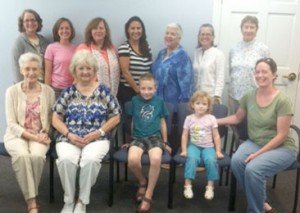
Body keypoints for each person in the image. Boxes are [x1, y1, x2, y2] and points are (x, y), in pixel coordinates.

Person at [218, 58, 297, 213]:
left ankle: (255, 209)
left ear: (274, 75)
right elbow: (237, 118)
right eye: (257, 71)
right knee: (236, 161)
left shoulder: (283, 100)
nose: (260, 75)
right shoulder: (249, 96)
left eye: (265, 72)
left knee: (253, 169)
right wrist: (214, 121)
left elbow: (281, 136)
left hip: (282, 147)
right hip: (255, 142)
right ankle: (262, 202)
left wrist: (257, 154)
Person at [52, 50, 121, 213]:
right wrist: (69, 134)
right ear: (74, 70)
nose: (85, 72)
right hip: (69, 137)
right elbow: (55, 118)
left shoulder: (104, 91)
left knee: (90, 160)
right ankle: (69, 200)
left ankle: (82, 201)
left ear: (94, 71)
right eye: (81, 68)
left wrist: (99, 132)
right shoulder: (68, 92)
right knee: (66, 160)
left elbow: (116, 116)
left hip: (96, 138)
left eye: (88, 68)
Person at [4, 52, 55, 213]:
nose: (31, 73)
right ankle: (32, 200)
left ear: (40, 70)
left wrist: (46, 131)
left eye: (35, 69)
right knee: (22, 156)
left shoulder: (48, 91)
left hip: (40, 134)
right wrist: (34, 137)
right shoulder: (11, 91)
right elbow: (12, 124)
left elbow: (51, 117)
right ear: (21, 70)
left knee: (37, 157)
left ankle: (28, 189)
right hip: (16, 135)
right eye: (27, 69)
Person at [126, 73, 171, 212]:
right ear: (139, 88)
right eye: (143, 88)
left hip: (155, 137)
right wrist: (130, 141)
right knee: (132, 161)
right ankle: (142, 181)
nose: (146, 92)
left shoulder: (159, 102)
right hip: (138, 137)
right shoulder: (134, 100)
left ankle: (149, 193)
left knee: (156, 159)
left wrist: (165, 141)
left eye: (150, 88)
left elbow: (162, 122)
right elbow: (133, 120)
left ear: (155, 88)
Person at [180, 91, 224, 200]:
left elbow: (216, 136)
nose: (201, 106)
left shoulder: (211, 118)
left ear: (208, 106)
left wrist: (218, 151)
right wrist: (184, 150)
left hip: (208, 146)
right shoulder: (189, 119)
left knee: (211, 160)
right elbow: (184, 135)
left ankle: (210, 186)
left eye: (204, 104)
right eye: (198, 103)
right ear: (192, 105)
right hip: (193, 146)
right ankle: (188, 185)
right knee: (192, 158)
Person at [228, 15, 270, 113]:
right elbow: (231, 70)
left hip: (254, 95)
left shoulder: (263, 49)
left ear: (256, 30)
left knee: (251, 125)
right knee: (234, 124)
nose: (248, 30)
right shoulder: (234, 48)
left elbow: (268, 73)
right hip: (234, 94)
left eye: (252, 27)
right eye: (246, 27)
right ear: (241, 29)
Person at [152, 22, 193, 112]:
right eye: (167, 33)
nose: (169, 36)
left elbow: (186, 88)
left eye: (173, 34)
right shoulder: (161, 53)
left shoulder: (183, 57)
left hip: (173, 107)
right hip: (157, 103)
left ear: (179, 38)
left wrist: (182, 108)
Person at [77, 17, 120, 96]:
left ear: (106, 31)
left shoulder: (112, 48)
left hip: (112, 95)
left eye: (101, 28)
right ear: (90, 31)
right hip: (90, 94)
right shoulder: (84, 48)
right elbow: (77, 74)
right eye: (95, 28)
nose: (98, 31)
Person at [117, 16, 152, 107]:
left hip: (145, 91)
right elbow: (125, 72)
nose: (136, 31)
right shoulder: (124, 48)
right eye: (132, 28)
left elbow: (149, 70)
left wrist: (146, 90)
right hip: (129, 91)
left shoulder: (147, 48)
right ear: (128, 30)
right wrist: (137, 90)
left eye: (138, 28)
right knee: (131, 119)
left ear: (142, 30)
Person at [12, 9, 49, 83]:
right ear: (22, 24)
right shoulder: (19, 42)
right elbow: (16, 67)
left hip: (43, 85)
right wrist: (22, 88)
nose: (30, 23)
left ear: (38, 22)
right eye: (27, 20)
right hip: (27, 85)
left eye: (33, 20)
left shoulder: (44, 41)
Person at [193, 24, 225, 104]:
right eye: (202, 34)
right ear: (198, 36)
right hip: (197, 96)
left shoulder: (218, 54)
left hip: (211, 97)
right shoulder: (196, 53)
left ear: (213, 37)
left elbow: (220, 78)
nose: (205, 37)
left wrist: (217, 97)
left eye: (208, 34)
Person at [44, 17, 76, 99]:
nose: (64, 31)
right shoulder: (51, 48)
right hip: (56, 90)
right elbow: (48, 72)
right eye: (61, 28)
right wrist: (47, 92)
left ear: (71, 30)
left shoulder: (76, 49)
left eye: (67, 28)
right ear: (57, 31)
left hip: (72, 89)